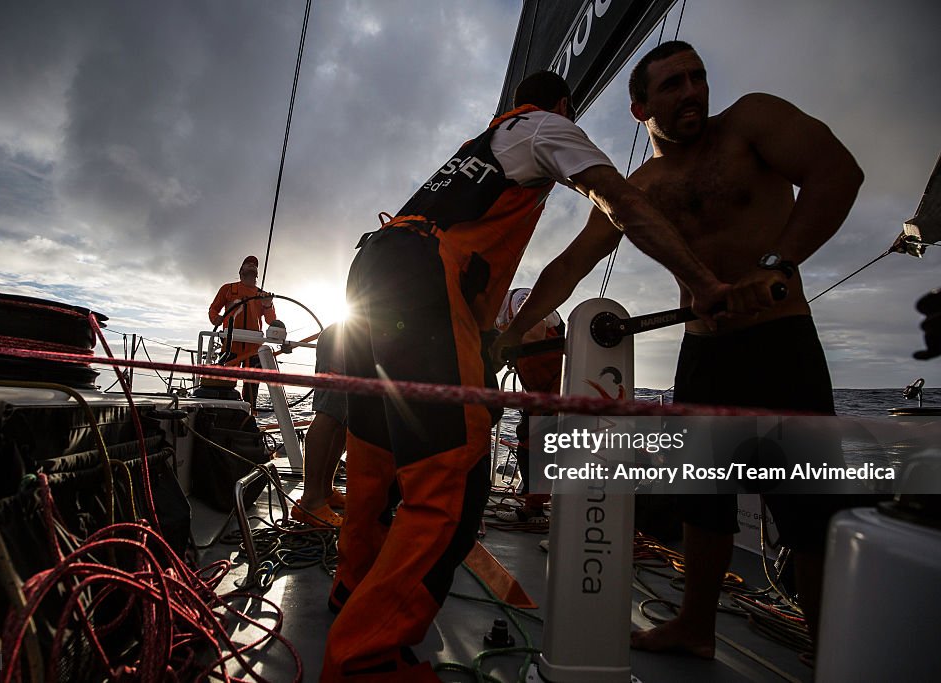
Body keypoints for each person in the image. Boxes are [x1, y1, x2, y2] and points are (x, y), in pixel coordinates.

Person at [323, 70, 731, 682]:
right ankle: (365, 661)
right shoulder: (547, 127)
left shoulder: (479, 149)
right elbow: (617, 200)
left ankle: (350, 593)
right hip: (426, 282)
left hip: (374, 268)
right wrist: (703, 281)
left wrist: (500, 337)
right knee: (452, 480)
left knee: (375, 454)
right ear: (564, 104)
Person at [493, 41, 864, 661]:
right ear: (640, 108)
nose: (691, 91)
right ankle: (694, 626)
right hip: (705, 353)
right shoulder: (641, 189)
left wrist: (778, 264)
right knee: (704, 497)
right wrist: (509, 336)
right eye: (671, 85)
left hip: (781, 341)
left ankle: (828, 650)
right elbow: (570, 266)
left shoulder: (753, 122)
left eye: (697, 78)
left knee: (807, 503)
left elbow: (837, 173)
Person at [494, 287, 564, 524]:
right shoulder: (499, 318)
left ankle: (538, 510)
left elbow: (534, 333)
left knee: (542, 446)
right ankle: (532, 507)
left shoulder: (520, 299)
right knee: (527, 441)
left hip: (558, 388)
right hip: (538, 391)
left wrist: (503, 346)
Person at [291, 323, 348, 528]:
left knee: (344, 418)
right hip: (347, 338)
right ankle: (311, 502)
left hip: (360, 336)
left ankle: (325, 491)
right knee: (330, 412)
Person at [207, 255, 277, 410]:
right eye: (248, 264)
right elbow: (213, 309)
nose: (252, 265)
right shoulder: (228, 289)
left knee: (252, 389)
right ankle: (222, 413)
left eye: (254, 265)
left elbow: (271, 321)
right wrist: (216, 319)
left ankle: (249, 417)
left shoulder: (262, 295)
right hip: (230, 344)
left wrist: (267, 305)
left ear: (257, 273)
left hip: (253, 348)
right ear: (240, 271)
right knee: (225, 384)